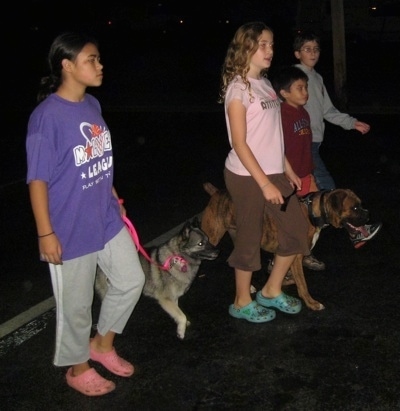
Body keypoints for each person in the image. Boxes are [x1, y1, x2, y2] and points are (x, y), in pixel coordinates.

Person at [26, 32, 146, 396]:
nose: (100, 64)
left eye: (98, 58)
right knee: (76, 306)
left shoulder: (91, 105)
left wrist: (111, 192)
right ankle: (77, 370)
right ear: (67, 65)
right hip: (68, 227)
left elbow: (96, 155)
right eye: (91, 59)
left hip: (105, 217)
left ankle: (102, 345)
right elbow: (37, 179)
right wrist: (46, 233)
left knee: (131, 280)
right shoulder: (47, 117)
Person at [219, 22, 310, 323]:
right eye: (262, 44)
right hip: (246, 175)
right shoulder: (238, 88)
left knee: (297, 231)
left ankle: (270, 290)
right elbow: (240, 143)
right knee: (249, 235)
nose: (270, 50)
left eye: (271, 44)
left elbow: (273, 134)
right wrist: (265, 183)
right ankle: (241, 300)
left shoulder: (265, 83)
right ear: (245, 48)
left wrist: (287, 169)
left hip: (273, 173)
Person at [293, 30, 381, 247]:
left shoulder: (317, 78)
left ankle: (301, 249)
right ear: (297, 54)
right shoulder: (293, 76)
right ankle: (355, 231)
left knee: (314, 196)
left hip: (313, 142)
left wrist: (352, 123)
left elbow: (327, 110)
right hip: (302, 143)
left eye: (316, 49)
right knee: (330, 194)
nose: (313, 53)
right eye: (307, 49)